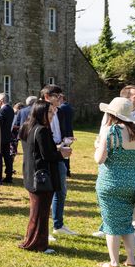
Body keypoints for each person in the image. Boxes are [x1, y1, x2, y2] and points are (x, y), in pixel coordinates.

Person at [18, 100, 71, 253]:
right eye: (49, 112)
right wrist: (62, 153)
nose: (52, 115)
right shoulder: (41, 129)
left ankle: (32, 240)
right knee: (41, 213)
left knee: (36, 212)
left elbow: (39, 150)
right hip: (41, 177)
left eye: (53, 112)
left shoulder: (28, 127)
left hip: (32, 174)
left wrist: (56, 148)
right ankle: (38, 244)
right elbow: (47, 155)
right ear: (40, 112)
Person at [94, 97, 135, 267]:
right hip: (131, 180)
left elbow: (100, 159)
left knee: (111, 224)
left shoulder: (110, 131)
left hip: (110, 182)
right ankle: (131, 260)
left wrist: (98, 146)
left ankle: (113, 263)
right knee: (127, 222)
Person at [40, 84, 77, 237]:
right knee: (46, 193)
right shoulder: (40, 112)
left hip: (59, 156)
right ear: (48, 97)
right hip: (46, 156)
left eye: (61, 96)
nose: (61, 99)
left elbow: (63, 131)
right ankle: (44, 229)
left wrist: (66, 140)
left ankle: (58, 224)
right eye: (58, 96)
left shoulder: (61, 112)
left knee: (61, 191)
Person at [0, 93, 15, 185]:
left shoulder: (3, 110)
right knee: (7, 157)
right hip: (7, 136)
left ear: (1, 100)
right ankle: (9, 176)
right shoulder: (10, 109)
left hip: (0, 137)